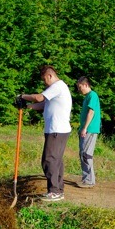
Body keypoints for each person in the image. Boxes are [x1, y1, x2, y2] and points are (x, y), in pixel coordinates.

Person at [18, 65, 72, 201]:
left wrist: (22, 96)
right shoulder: (58, 88)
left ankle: (54, 191)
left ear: (50, 76)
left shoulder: (57, 86)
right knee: (56, 160)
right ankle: (58, 190)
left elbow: (39, 98)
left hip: (56, 130)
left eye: (44, 80)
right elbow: (43, 105)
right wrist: (27, 106)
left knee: (49, 160)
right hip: (58, 130)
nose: (44, 83)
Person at [76, 76, 101, 188]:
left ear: (86, 85)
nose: (79, 89)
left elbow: (91, 112)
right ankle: (86, 179)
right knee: (83, 153)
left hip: (90, 129)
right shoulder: (87, 97)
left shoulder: (93, 95)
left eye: (80, 87)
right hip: (86, 129)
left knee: (86, 154)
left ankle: (89, 180)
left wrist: (85, 128)